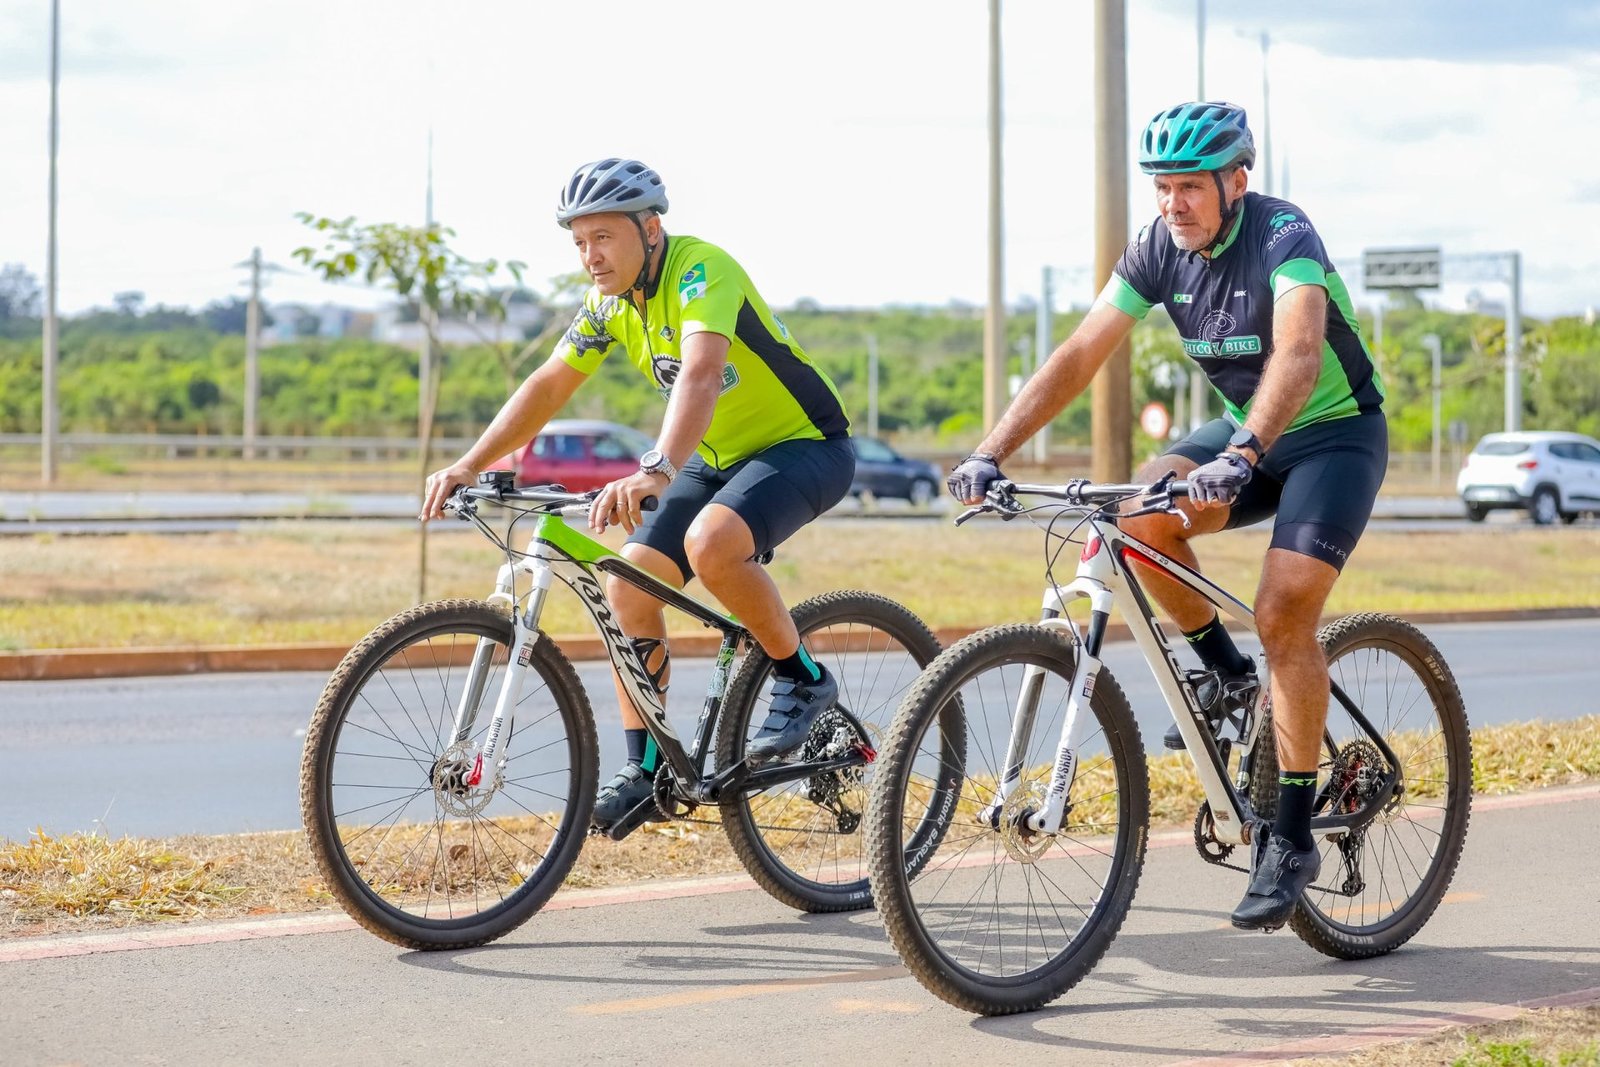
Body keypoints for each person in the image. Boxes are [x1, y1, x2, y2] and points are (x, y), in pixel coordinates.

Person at [948, 101, 1386, 932]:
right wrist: (989, 449)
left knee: (1284, 609)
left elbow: (1296, 353)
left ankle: (1291, 836)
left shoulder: (1284, 233)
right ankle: (1228, 676)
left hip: (1331, 434)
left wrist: (1245, 452)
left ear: (1237, 182)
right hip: (1244, 433)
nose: (1173, 203)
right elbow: (1079, 352)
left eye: (1190, 186)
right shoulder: (1157, 247)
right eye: (1162, 187)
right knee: (1139, 515)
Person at [420, 158, 854, 838]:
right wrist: (469, 462)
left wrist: (655, 468)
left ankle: (801, 677)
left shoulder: (701, 271)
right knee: (627, 583)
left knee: (712, 544)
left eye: (603, 237)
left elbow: (703, 374)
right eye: (579, 242)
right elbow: (547, 385)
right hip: (712, 456)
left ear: (651, 228)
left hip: (805, 444)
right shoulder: (608, 306)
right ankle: (648, 768)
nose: (590, 256)